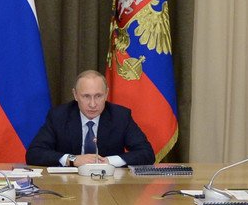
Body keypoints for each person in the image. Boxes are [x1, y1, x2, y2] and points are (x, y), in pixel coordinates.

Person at [24, 70, 155, 167]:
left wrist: (109, 161)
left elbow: (147, 153)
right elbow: (34, 153)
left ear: (106, 94)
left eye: (98, 96)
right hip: (70, 185)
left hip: (109, 184)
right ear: (75, 95)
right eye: (86, 96)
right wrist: (73, 159)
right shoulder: (59, 116)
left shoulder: (120, 116)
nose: (93, 104)